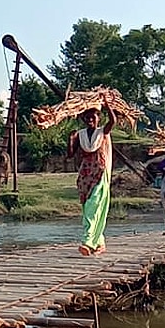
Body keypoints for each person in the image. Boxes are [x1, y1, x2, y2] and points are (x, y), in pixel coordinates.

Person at [67, 99, 115, 256]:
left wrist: (107, 104)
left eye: (93, 117)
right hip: (85, 174)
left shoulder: (103, 132)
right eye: (87, 118)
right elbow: (70, 154)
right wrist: (70, 140)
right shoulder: (80, 135)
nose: (90, 120)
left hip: (99, 172)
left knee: (94, 205)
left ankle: (87, 241)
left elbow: (113, 121)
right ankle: (99, 241)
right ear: (83, 119)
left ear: (98, 118)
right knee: (88, 206)